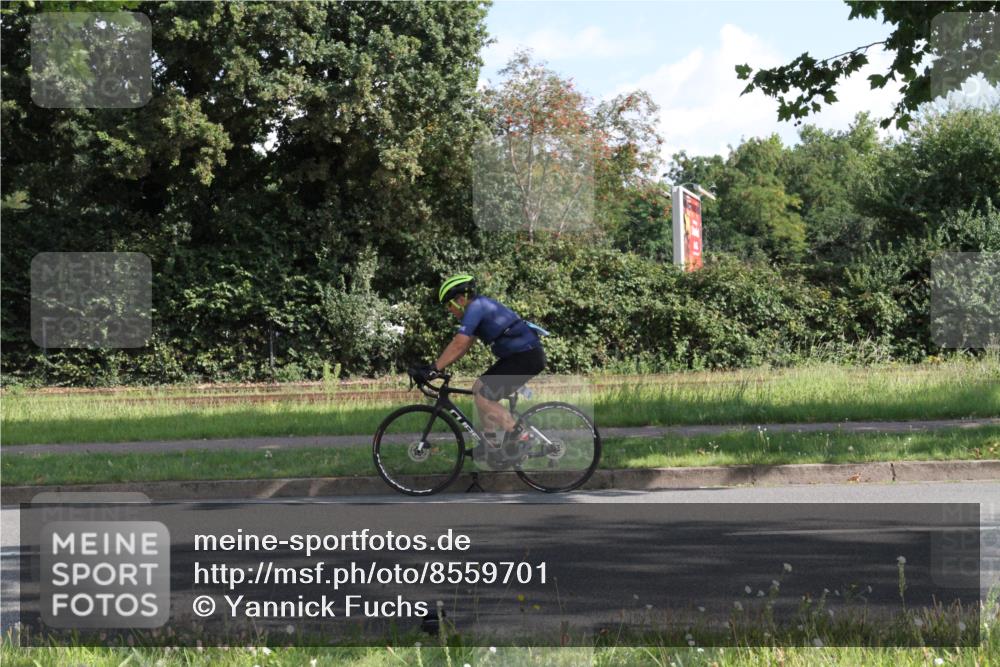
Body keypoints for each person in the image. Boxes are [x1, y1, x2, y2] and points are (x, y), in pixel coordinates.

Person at [413, 273, 546, 451]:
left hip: (525, 357)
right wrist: (436, 368)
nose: (449, 310)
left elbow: (459, 343)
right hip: (519, 356)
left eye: (449, 305)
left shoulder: (476, 307)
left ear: (460, 299)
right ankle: (490, 443)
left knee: (484, 397)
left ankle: (522, 436)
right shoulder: (479, 308)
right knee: (479, 386)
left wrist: (434, 368)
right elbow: (464, 345)